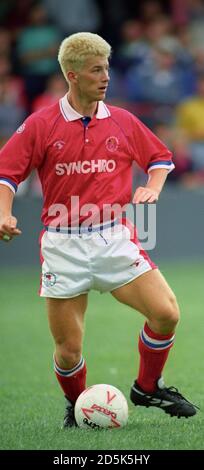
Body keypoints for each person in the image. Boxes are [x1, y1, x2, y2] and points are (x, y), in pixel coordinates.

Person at [0, 32, 198, 428]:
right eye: (96, 70)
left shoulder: (122, 120)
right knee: (69, 351)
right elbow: (5, 174)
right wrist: (4, 213)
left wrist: (151, 187)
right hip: (63, 246)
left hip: (113, 237)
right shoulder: (41, 124)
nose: (106, 76)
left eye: (107, 67)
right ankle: (76, 406)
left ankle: (147, 386)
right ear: (72, 75)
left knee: (166, 313)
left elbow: (160, 158)